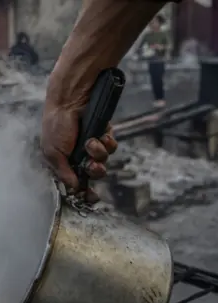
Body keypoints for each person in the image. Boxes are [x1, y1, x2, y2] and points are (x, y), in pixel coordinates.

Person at [42, 0, 173, 201]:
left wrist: (64, 99)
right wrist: (65, 100)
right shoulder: (148, 35)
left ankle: (160, 100)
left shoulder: (162, 35)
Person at [139, 14, 171, 108]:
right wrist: (145, 50)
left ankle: (161, 98)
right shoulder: (147, 35)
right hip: (151, 60)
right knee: (153, 80)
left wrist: (160, 47)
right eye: (151, 21)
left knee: (159, 79)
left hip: (160, 60)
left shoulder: (163, 34)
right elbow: (140, 47)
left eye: (155, 21)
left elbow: (169, 46)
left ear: (159, 23)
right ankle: (157, 99)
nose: (152, 23)